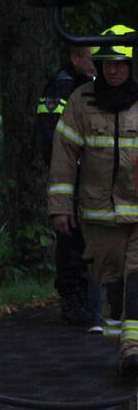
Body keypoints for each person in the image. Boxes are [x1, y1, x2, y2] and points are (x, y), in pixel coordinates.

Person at [49, 24, 138, 380]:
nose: (112, 70)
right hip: (99, 216)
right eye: (106, 64)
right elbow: (64, 156)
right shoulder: (81, 102)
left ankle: (133, 350)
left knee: (137, 277)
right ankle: (126, 350)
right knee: (114, 283)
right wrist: (59, 206)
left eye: (120, 63)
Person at [37, 45, 102, 332]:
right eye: (91, 60)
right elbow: (53, 140)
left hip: (90, 179)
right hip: (72, 178)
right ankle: (73, 299)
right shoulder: (62, 86)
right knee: (70, 238)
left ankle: (86, 298)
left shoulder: (85, 85)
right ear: (76, 57)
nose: (96, 66)